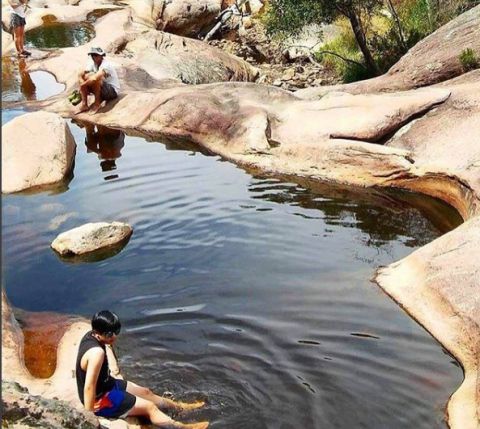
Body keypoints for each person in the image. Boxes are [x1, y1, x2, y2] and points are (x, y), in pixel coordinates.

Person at [76, 310, 209, 429]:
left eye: (116, 332)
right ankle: (182, 428)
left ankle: (181, 408)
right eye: (110, 334)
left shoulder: (91, 335)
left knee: (146, 392)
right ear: (97, 333)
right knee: (149, 408)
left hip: (106, 385)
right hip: (100, 400)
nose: (114, 337)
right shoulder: (96, 353)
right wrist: (90, 417)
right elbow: (89, 386)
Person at [77, 47, 120, 114]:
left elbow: (95, 78)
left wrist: (82, 85)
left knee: (93, 78)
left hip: (112, 91)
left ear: (101, 56)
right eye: (92, 55)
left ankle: (97, 104)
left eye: (96, 55)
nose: (94, 57)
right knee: (85, 76)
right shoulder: (93, 64)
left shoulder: (106, 65)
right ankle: (84, 105)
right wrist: (81, 82)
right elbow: (80, 73)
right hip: (102, 89)